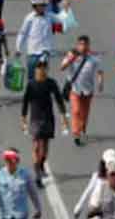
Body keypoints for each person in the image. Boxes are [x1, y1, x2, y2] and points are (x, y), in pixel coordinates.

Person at [20, 59, 68, 187]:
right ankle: (38, 176)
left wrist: (63, 117)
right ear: (35, 70)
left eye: (44, 68)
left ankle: (41, 165)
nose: (42, 70)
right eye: (39, 67)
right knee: (36, 147)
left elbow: (59, 100)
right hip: (35, 119)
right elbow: (25, 102)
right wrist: (23, 119)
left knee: (44, 149)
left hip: (48, 118)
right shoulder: (31, 84)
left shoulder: (51, 83)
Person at [60, 35, 104, 146]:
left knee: (84, 113)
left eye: (85, 44)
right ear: (77, 45)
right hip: (75, 89)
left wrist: (100, 82)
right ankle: (76, 134)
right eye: (81, 44)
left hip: (88, 90)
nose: (83, 47)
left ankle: (83, 128)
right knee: (76, 111)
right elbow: (62, 67)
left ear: (89, 46)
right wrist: (71, 59)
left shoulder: (94, 58)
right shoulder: (71, 56)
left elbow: (99, 72)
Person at [0, 148, 42, 219]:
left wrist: (38, 209)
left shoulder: (25, 175)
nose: (9, 162)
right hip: (3, 215)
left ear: (17, 161)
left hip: (21, 215)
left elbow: (33, 193)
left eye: (11, 160)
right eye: (7, 160)